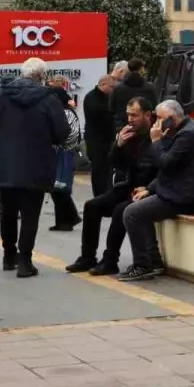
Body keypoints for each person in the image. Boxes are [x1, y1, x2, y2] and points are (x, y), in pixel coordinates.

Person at [0, 57, 69, 277]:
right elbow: (62, 131)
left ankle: (8, 256)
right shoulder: (49, 98)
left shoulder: (0, 95)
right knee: (30, 214)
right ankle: (25, 262)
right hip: (37, 164)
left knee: (8, 212)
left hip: (5, 163)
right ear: (41, 76)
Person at [119, 100, 194, 282]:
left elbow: (165, 163)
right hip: (180, 190)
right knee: (138, 207)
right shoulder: (181, 131)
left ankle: (143, 265)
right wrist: (149, 189)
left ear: (173, 118)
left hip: (188, 197)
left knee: (131, 213)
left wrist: (156, 140)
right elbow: (171, 169)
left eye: (161, 118)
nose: (157, 123)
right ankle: (153, 262)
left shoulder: (188, 135)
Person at [66, 97, 157, 276]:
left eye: (135, 115)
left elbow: (152, 166)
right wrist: (119, 145)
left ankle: (110, 260)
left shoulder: (156, 135)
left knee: (120, 211)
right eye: (128, 115)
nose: (130, 119)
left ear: (147, 115)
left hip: (149, 188)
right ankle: (87, 257)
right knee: (92, 206)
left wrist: (155, 144)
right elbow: (116, 163)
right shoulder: (130, 133)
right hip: (130, 185)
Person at [46, 79, 82, 232]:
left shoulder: (66, 113)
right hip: (59, 152)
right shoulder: (62, 112)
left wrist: (54, 140)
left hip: (64, 153)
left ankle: (67, 220)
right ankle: (68, 219)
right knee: (58, 188)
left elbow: (70, 134)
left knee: (60, 188)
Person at [83, 75, 117, 196]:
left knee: (107, 170)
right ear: (103, 84)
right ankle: (98, 195)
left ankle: (106, 194)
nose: (113, 89)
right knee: (98, 170)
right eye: (111, 86)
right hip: (95, 140)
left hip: (107, 139)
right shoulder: (91, 97)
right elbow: (100, 114)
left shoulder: (107, 97)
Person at [110, 58, 157, 130]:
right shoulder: (149, 88)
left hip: (122, 127)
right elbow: (154, 108)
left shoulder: (117, 88)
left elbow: (111, 108)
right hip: (143, 127)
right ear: (141, 69)